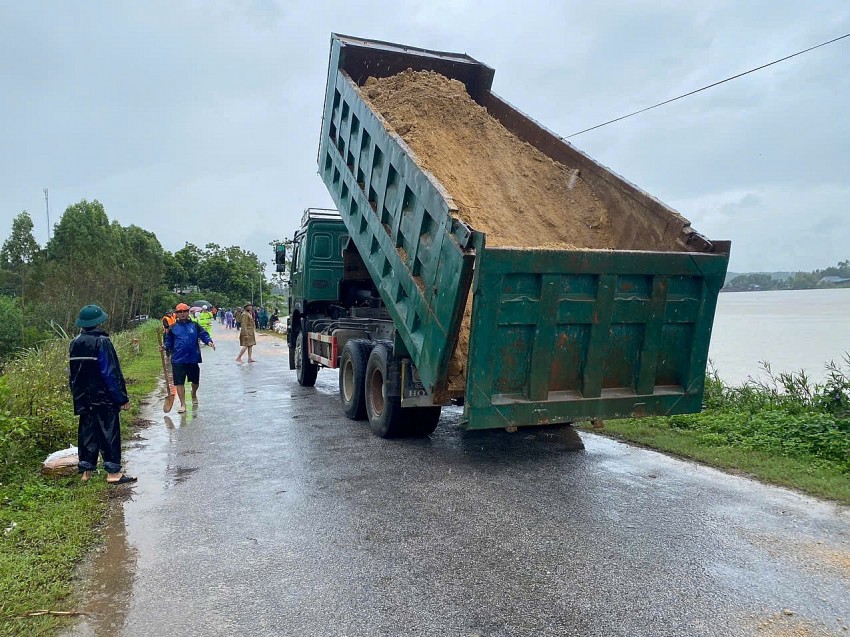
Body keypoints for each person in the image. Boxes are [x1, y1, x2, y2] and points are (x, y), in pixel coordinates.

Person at [68, 304, 136, 484]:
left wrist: (76, 395)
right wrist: (121, 398)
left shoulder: (74, 343)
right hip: (103, 397)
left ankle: (86, 471)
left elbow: (73, 374)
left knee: (87, 432)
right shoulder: (102, 342)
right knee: (109, 432)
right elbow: (110, 372)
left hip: (83, 397)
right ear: (98, 323)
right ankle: (113, 472)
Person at [164, 302, 216, 413]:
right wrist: (164, 347)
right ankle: (183, 405)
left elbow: (204, 334)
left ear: (188, 312)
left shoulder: (194, 325)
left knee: (195, 381)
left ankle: (193, 393)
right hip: (178, 359)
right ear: (176, 314)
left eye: (184, 311)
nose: (182, 314)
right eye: (179, 312)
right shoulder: (173, 328)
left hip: (193, 358)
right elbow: (168, 341)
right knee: (179, 382)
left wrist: (209, 341)